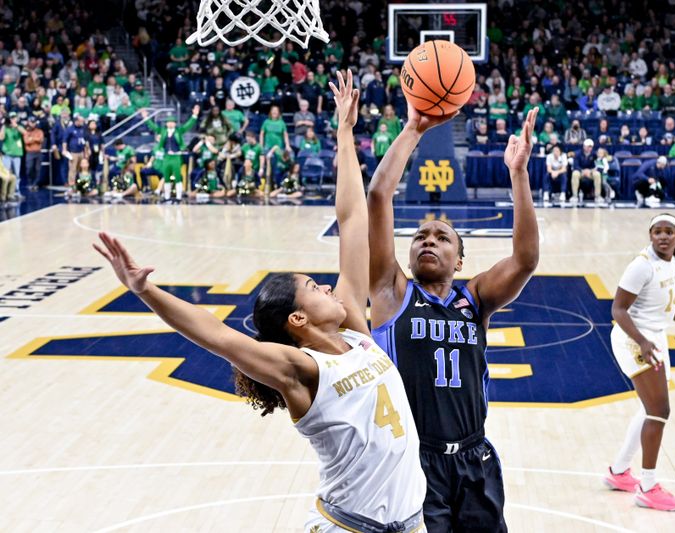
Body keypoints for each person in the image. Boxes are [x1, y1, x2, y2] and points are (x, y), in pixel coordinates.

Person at [92, 71, 427, 532]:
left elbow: (352, 220)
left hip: (410, 523)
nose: (329, 288)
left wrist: (344, 134)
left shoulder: (355, 334)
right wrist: (146, 290)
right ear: (298, 317)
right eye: (315, 287)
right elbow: (219, 337)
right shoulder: (302, 371)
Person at [367, 105, 540, 531]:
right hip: (414, 461)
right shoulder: (393, 293)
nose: (428, 241)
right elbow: (377, 197)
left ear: (459, 260)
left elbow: (526, 258)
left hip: (474, 458)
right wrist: (412, 129)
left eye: (442, 238)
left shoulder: (475, 298)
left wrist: (518, 173)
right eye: (420, 237)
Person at [604, 214, 675, 511]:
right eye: (658, 231)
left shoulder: (672, 263)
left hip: (655, 338)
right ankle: (648, 487)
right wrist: (642, 341)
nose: (663, 236)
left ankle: (619, 471)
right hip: (633, 339)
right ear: (650, 235)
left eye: (669, 232)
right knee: (659, 410)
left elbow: (666, 303)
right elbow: (618, 310)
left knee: (650, 408)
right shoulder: (641, 266)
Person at [143, 105, 201, 200]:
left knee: (177, 177)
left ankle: (178, 197)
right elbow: (153, 126)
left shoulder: (178, 131)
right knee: (166, 177)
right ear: (166, 124)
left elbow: (188, 125)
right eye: (168, 122)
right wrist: (146, 118)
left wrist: (194, 116)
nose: (170, 124)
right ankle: (167, 197)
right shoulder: (163, 131)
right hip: (166, 156)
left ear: (175, 124)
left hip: (176, 156)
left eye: (172, 122)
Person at [571, 138, 602, 205]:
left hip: (591, 172)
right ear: (584, 146)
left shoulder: (595, 154)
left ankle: (597, 196)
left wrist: (590, 171)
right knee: (575, 174)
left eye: (590, 147)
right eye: (588, 146)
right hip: (580, 171)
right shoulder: (577, 154)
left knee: (597, 174)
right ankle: (574, 196)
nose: (589, 148)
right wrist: (582, 171)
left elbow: (598, 166)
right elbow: (575, 166)